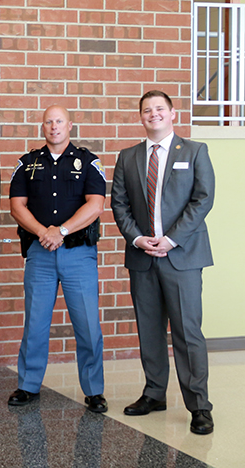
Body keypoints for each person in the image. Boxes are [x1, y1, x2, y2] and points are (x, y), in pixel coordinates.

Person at [110, 90, 215, 435]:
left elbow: (202, 200)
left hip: (182, 256)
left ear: (173, 113)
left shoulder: (195, 151)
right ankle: (154, 393)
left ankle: (199, 405)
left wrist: (171, 239)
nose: (153, 114)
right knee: (150, 331)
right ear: (140, 117)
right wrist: (138, 239)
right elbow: (119, 205)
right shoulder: (127, 157)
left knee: (188, 333)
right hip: (142, 257)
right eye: (146, 110)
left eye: (159, 109)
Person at [7, 106, 107, 412]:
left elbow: (97, 204)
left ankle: (94, 390)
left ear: (70, 125)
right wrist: (43, 233)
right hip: (40, 253)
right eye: (49, 121)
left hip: (78, 253)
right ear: (42, 126)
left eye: (59, 121)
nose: (54, 126)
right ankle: (28, 385)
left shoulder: (88, 162)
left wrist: (61, 231)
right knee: (35, 323)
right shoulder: (27, 163)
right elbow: (16, 205)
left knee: (88, 324)